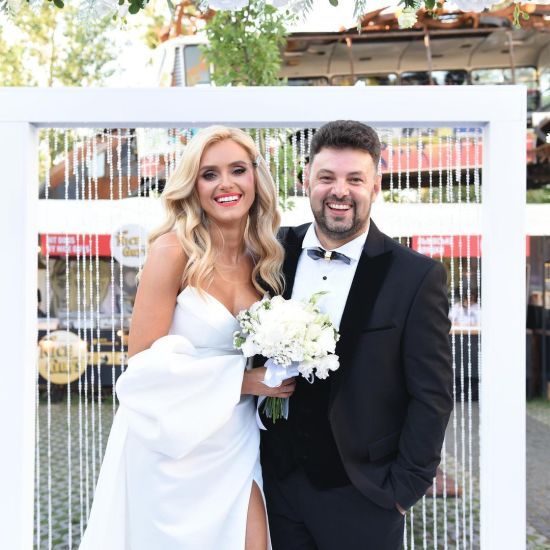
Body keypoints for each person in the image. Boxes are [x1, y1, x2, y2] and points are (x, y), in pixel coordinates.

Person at [79, 126, 295, 550]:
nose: (226, 184)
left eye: (238, 170)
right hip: (170, 445)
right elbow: (140, 366)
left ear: (256, 177)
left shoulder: (266, 259)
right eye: (209, 174)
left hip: (234, 439)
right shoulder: (173, 251)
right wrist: (242, 381)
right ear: (193, 186)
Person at [260, 120, 453, 550]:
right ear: (305, 179)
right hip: (273, 487)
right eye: (326, 177)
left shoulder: (416, 276)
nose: (339, 191)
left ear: (375, 186)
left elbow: (433, 395)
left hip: (365, 494)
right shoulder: (269, 253)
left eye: (355, 179)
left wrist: (403, 490)